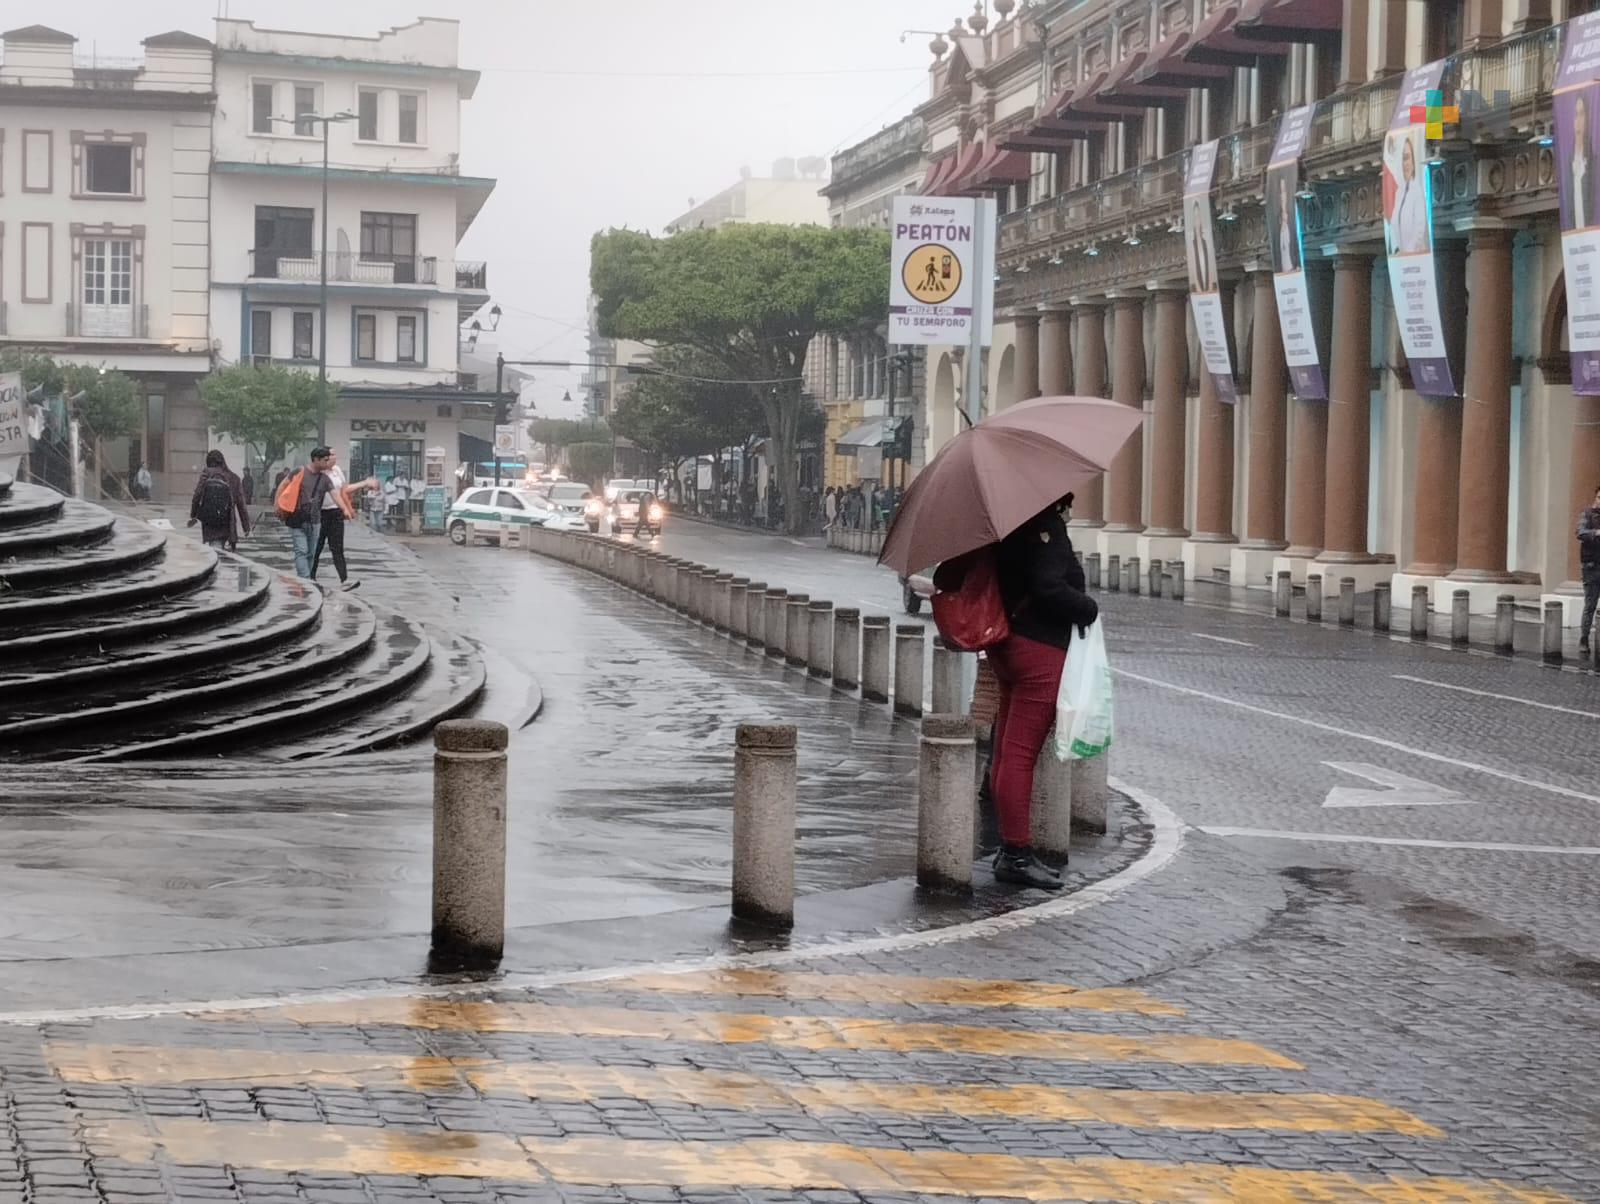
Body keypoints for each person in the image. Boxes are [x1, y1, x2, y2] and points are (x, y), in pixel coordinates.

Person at [987, 491, 1100, 889]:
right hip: (1039, 649)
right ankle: (1016, 853)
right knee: (1019, 754)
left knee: (1005, 749)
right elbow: (1049, 586)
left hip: (1006, 645)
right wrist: (1087, 608)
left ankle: (1009, 848)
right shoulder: (1045, 526)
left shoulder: (1007, 520)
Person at [311, 450, 362, 591]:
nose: (334, 457)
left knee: (337, 548)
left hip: (336, 512)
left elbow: (344, 491)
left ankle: (344, 579)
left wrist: (347, 508)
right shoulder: (318, 473)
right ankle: (310, 577)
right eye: (331, 455)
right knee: (317, 547)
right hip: (321, 513)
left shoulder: (337, 471)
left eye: (334, 454)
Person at [284, 446, 335, 580]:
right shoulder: (298, 472)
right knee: (301, 551)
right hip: (297, 518)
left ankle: (306, 578)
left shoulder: (325, 479)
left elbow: (337, 495)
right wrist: (279, 506)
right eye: (325, 460)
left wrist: (346, 509)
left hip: (315, 521)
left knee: (311, 553)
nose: (327, 462)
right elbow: (283, 486)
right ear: (316, 459)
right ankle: (305, 580)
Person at [188, 450, 250, 550]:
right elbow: (241, 505)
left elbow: (197, 495)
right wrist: (246, 527)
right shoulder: (235, 478)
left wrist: (193, 515)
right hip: (227, 521)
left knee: (214, 549)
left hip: (210, 520)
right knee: (223, 552)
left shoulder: (207, 473)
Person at [1391, 135, 1430, 255]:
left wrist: (1406, 252)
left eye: (1407, 158)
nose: (1404, 164)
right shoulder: (1398, 193)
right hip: (1401, 260)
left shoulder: (1418, 190)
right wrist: (1397, 250)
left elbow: (1419, 230)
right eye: (1401, 159)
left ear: (1413, 161)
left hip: (1415, 258)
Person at [1564, 93, 1596, 232]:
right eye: (1575, 115)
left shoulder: (1594, 163)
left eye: (1582, 114)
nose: (1578, 121)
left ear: (1588, 119)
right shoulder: (1567, 166)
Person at [1580, 485, 1600, 654]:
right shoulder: (1587, 514)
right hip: (1591, 567)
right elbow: (1580, 532)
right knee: (1590, 605)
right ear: (1596, 498)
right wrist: (1597, 532)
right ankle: (1584, 639)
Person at [1273, 173, 1300, 272]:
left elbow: (1296, 245)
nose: (1282, 197)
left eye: (1283, 192)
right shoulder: (1276, 224)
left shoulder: (1293, 220)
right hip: (1283, 268)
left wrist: (1297, 264)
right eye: (1280, 193)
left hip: (1293, 267)